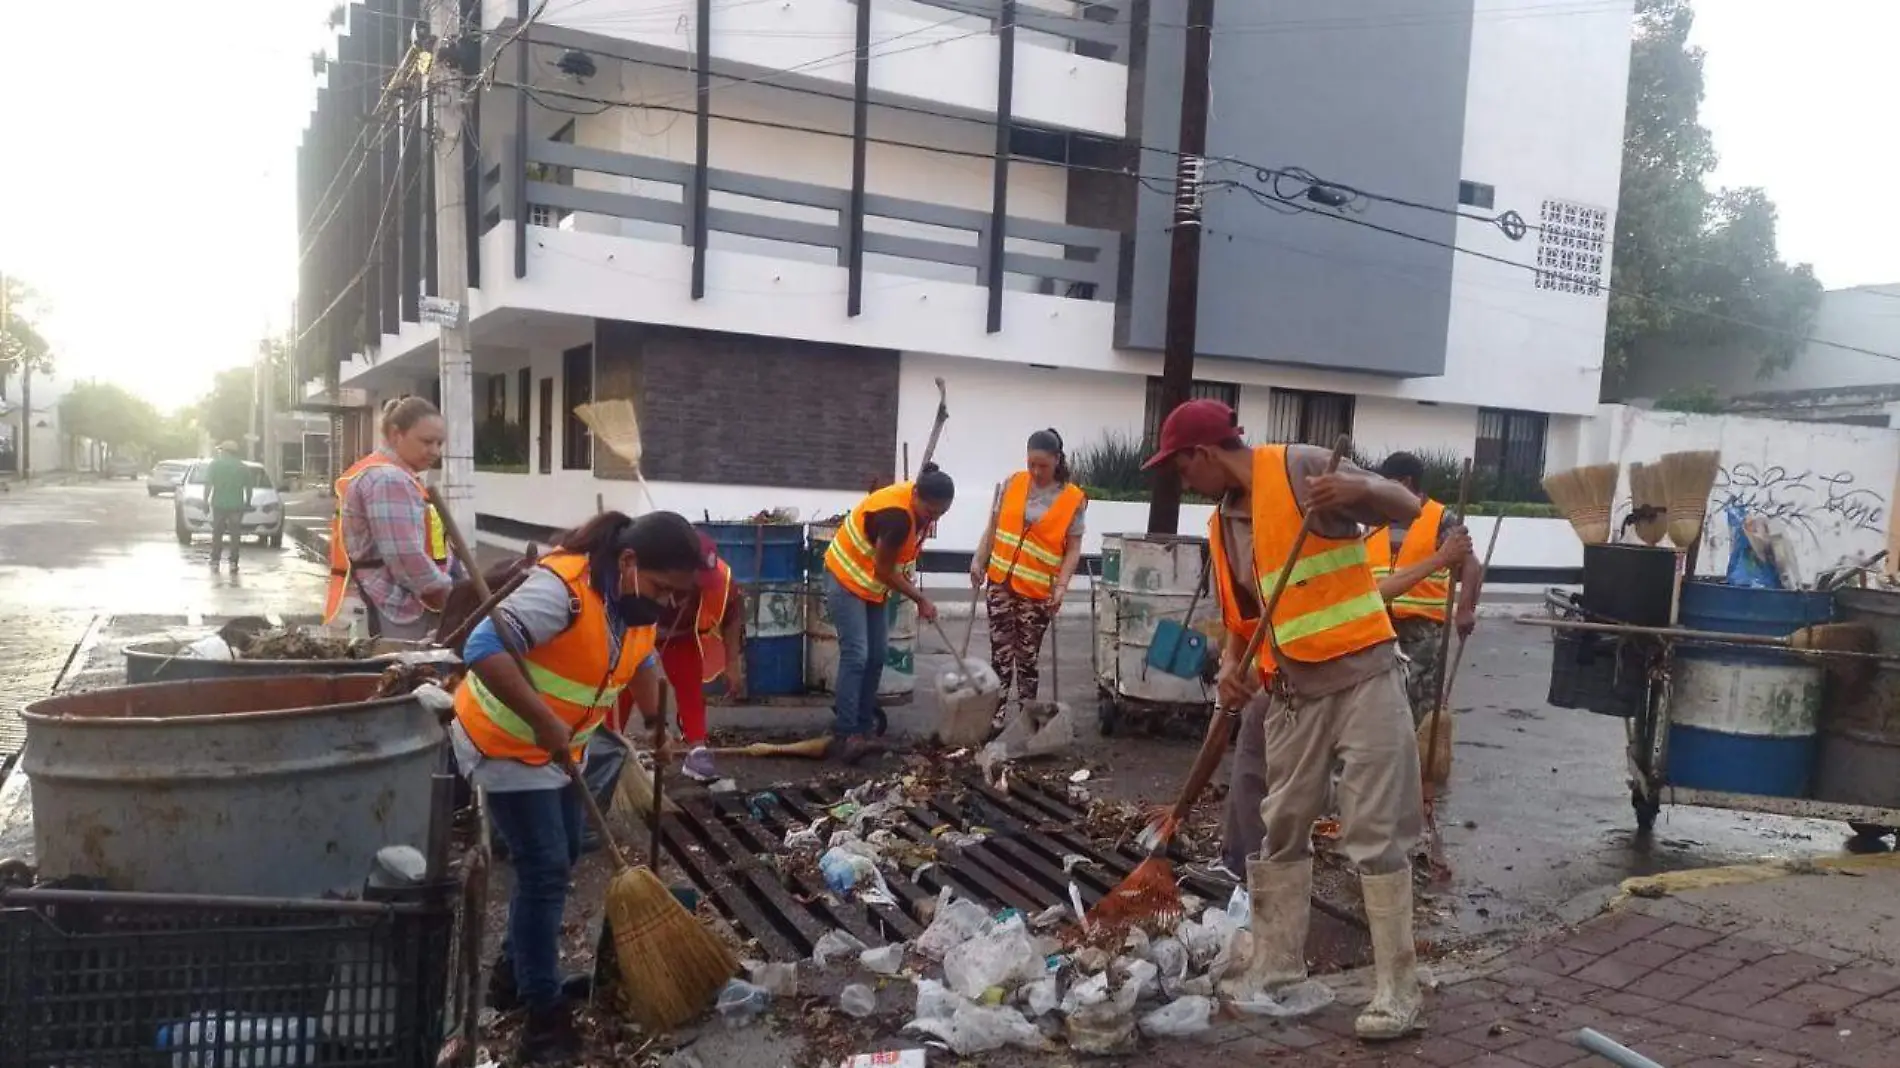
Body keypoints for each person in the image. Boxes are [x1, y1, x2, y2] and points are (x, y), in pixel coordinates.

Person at [1143, 399, 1428, 1042]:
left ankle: (1398, 990)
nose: (1182, 481)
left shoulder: (1300, 466)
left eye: (1181, 468)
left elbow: (1404, 507)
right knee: (1282, 828)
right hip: (1294, 692)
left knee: (1375, 831)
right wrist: (1233, 667)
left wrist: (1356, 486)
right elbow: (1246, 620)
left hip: (1364, 678)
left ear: (1205, 454)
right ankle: (1277, 969)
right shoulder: (1221, 526)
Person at [454, 509, 705, 1064]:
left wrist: (658, 723)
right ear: (630, 561)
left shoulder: (635, 602)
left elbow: (641, 661)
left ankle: (513, 976)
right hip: (507, 743)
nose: (667, 603)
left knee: (565, 852)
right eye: (664, 589)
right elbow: (480, 649)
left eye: (675, 596)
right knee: (545, 868)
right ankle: (542, 1021)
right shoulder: (561, 592)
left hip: (563, 748)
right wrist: (544, 721)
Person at [823, 464, 954, 763]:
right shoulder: (897, 517)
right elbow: (883, 569)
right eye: (930, 512)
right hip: (845, 577)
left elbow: (885, 569)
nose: (932, 519)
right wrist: (919, 598)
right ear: (916, 495)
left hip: (870, 584)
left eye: (940, 514)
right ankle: (846, 734)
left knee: (878, 654)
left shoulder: (918, 506)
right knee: (856, 654)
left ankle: (863, 726)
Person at [970, 429, 1087, 718]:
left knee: (1026, 659)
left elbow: (1073, 549)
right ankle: (994, 716)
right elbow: (994, 525)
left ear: (1057, 460)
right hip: (1000, 581)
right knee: (1000, 656)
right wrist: (978, 559)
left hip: (1036, 592)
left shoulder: (1073, 498)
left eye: (1043, 465)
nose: (1036, 471)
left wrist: (1061, 588)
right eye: (1031, 463)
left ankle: (1026, 717)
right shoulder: (1013, 483)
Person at [322, 397, 459, 639]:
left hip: (393, 601)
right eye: (427, 442)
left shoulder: (391, 473)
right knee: (406, 673)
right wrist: (452, 596)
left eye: (440, 443)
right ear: (396, 434)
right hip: (397, 608)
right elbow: (405, 557)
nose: (436, 451)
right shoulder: (388, 479)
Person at [1365, 452, 1480, 725]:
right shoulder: (1377, 516)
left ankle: (1421, 759)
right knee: (1381, 699)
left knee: (1420, 698)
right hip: (1380, 622)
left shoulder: (1440, 518)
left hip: (1423, 628)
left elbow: (1471, 566)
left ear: (1406, 483)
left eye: (1387, 483)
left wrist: (1464, 611)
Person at [653, 530, 746, 782]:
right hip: (635, 636)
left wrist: (732, 663)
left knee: (690, 688)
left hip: (681, 638)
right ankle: (609, 749)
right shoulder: (644, 574)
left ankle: (697, 751)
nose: (699, 584)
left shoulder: (721, 579)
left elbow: (731, 617)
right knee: (623, 693)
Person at [205, 441, 252, 573]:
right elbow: (248, 488)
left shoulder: (215, 465)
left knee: (217, 533)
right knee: (235, 535)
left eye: (221, 451)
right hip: (236, 505)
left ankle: (215, 560)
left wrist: (205, 501)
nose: (219, 453)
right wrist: (248, 502)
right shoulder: (242, 467)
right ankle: (233, 562)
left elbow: (208, 485)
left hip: (218, 504)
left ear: (225, 452)